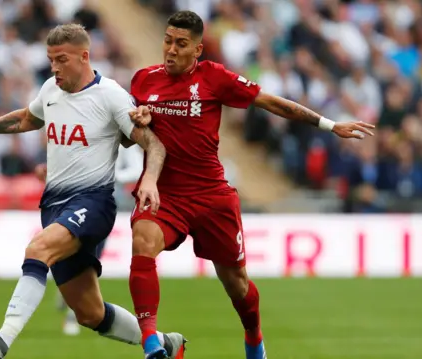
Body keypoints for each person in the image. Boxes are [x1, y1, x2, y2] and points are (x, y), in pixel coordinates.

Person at [126, 11, 376, 359]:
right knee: (142, 240)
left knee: (237, 286)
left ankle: (254, 337)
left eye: (180, 44)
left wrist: (329, 125)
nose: (170, 49)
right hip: (166, 194)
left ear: (197, 50)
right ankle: (152, 341)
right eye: (167, 40)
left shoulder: (214, 77)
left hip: (212, 196)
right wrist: (138, 123)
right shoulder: (143, 81)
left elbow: (271, 102)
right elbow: (128, 137)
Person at [0, 24, 186, 359]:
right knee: (90, 313)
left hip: (92, 203)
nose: (54, 67)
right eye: (51, 59)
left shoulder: (109, 95)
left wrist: (151, 179)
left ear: (84, 57)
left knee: (38, 249)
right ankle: (166, 344)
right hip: (54, 206)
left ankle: (1, 342)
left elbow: (152, 144)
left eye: (61, 60)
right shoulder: (51, 90)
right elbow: (25, 119)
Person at [37, 145, 144, 336]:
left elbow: (137, 169)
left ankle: (71, 308)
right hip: (70, 202)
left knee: (90, 261)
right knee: (64, 255)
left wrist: (112, 176)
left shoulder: (121, 136)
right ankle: (68, 298)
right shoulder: (84, 129)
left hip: (100, 205)